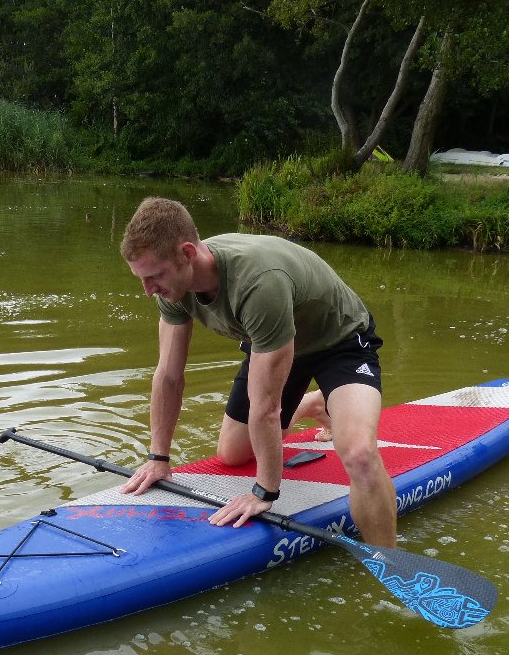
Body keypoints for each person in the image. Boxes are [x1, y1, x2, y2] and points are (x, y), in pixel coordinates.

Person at [118, 197, 396, 547]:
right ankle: (315, 404)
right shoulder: (170, 288)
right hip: (274, 341)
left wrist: (265, 491)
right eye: (142, 278)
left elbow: (265, 407)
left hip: (338, 341)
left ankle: (388, 563)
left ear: (188, 253)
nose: (149, 291)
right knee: (232, 454)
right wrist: (158, 459)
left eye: (155, 276)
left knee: (358, 454)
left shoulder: (259, 282)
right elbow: (169, 375)